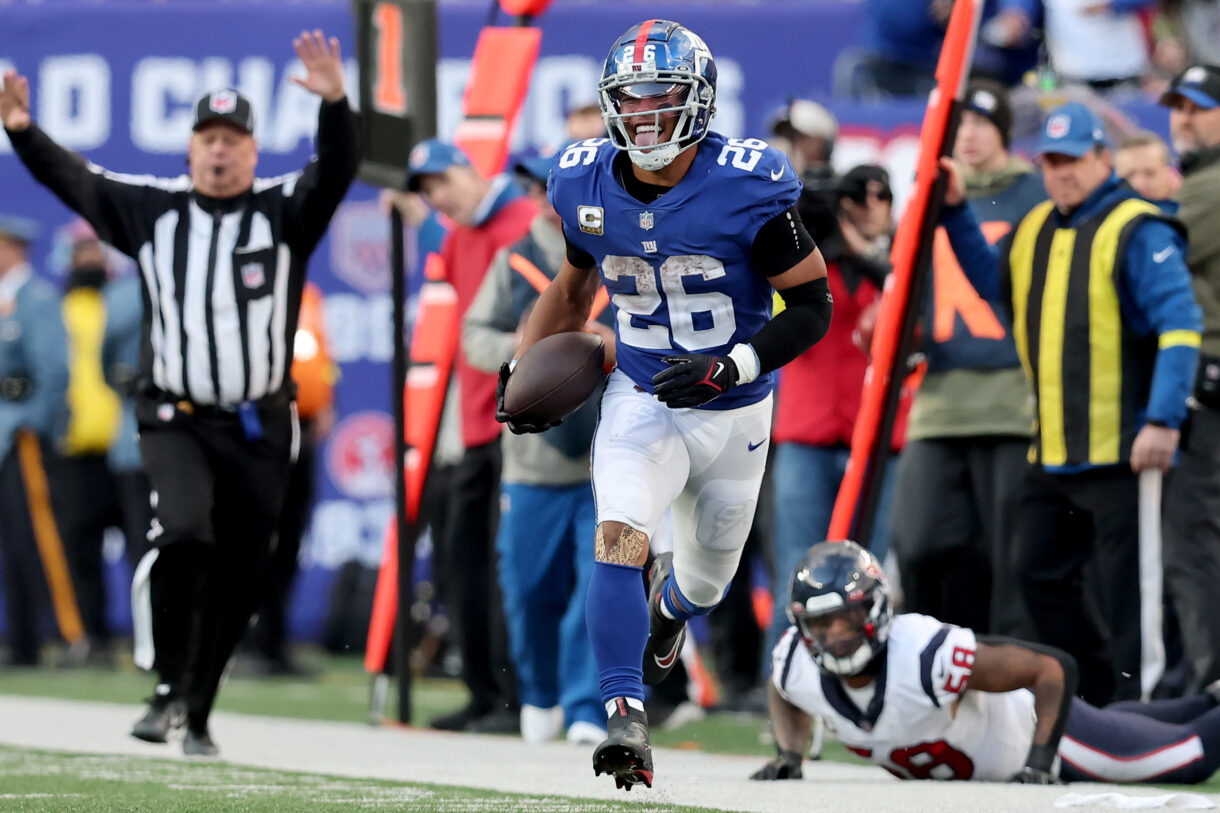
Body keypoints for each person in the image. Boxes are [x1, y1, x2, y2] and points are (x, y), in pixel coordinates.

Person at [0, 29, 359, 755]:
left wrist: (335, 105)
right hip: (176, 414)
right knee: (186, 531)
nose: (219, 151)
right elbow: (79, 181)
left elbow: (339, 169)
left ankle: (198, 704)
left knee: (243, 570)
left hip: (261, 420)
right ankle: (167, 684)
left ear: (253, 151)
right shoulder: (155, 210)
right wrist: (22, 129)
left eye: (232, 139)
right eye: (208, 139)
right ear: (189, 149)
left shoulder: (285, 209)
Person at [500, 20, 832, 789]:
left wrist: (733, 363)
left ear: (699, 101)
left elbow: (813, 306)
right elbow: (574, 287)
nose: (646, 116)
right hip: (641, 392)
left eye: (663, 99)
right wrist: (522, 366)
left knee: (707, 583)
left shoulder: (750, 183)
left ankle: (671, 611)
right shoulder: (582, 180)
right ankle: (625, 712)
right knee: (619, 532)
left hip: (736, 408)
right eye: (632, 101)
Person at [938, 102, 1202, 705]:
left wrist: (1163, 419)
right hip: (1052, 450)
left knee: (1130, 595)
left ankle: (1147, 716)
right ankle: (1094, 699)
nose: (1062, 173)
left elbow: (1181, 324)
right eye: (1052, 161)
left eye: (1074, 160)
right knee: (1036, 578)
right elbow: (993, 288)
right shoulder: (1033, 227)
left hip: (1122, 450)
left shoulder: (1137, 226)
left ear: (1101, 159)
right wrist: (954, 215)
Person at [753, 540, 1220, 785]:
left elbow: (1051, 669)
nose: (834, 635)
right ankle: (1207, 698)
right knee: (1148, 723)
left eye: (846, 618)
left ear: (873, 609)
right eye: (821, 624)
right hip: (997, 752)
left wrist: (1040, 762)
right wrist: (789, 754)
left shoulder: (923, 654)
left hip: (1049, 736)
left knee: (1188, 755)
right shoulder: (794, 660)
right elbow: (783, 687)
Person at [462, 154, 612, 745]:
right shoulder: (514, 259)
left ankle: (584, 707)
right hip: (533, 460)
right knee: (526, 587)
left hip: (606, 454)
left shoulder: (619, 249)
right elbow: (473, 336)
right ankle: (541, 694)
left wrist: (605, 347)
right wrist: (535, 357)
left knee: (596, 586)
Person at [892, 79, 1043, 638]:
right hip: (939, 397)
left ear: (1004, 131)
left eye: (983, 123)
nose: (971, 135)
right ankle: (936, 659)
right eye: (961, 125)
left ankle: (1012, 678)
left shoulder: (1035, 194)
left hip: (1012, 395)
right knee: (921, 540)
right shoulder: (923, 197)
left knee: (1013, 556)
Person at [405, 138, 537, 733]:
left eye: (439, 183)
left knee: (506, 564)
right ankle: (482, 691)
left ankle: (517, 696)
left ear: (466, 169)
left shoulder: (525, 223)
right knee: (461, 559)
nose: (436, 198)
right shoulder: (458, 235)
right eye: (426, 192)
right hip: (473, 421)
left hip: (522, 421)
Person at [1158, 64, 1220, 695]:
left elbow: (1146, 252)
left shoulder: (1209, 189)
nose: (1184, 118)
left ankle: (1209, 688)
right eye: (1177, 107)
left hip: (1207, 391)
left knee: (1192, 547)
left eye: (1199, 107)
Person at [0, 214, 72, 667]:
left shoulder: (36, 299)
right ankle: (22, 640)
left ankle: (64, 634)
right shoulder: (6, 300)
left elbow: (53, 371)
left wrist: (32, 423)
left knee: (36, 538)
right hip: (2, 433)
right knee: (10, 542)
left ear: (13, 249)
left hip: (21, 434)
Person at [1114, 131, 1182, 205]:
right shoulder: (1104, 213)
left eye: (1149, 173)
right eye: (1129, 175)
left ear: (1168, 173)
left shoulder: (1190, 210)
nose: (1139, 184)